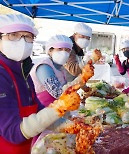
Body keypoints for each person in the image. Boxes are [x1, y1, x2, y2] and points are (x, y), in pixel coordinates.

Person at [0, 14, 83, 153]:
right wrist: (60, 106)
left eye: (28, 37)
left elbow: (38, 110)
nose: (22, 41)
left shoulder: (23, 73)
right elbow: (13, 132)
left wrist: (74, 127)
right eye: (13, 35)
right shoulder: (3, 75)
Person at [30, 35, 73, 106]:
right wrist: (80, 80)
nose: (64, 53)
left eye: (67, 50)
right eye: (59, 49)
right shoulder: (44, 67)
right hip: (43, 111)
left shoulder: (60, 68)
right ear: (50, 51)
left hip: (57, 109)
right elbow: (58, 93)